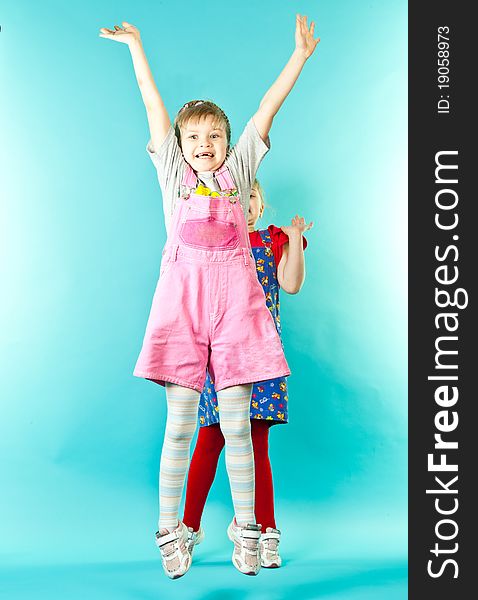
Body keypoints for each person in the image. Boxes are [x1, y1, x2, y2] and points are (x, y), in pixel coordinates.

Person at [99, 14, 319, 579]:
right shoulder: (173, 178)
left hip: (239, 311)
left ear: (227, 143)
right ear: (179, 145)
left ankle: (248, 528)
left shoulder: (240, 170)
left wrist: (298, 57)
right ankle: (170, 530)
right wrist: (136, 49)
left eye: (213, 136)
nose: (204, 144)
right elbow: (154, 108)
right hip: (183, 310)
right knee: (179, 425)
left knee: (238, 423)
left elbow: (266, 110)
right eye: (193, 137)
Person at [183, 180, 312, 569]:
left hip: (262, 359)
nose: (245, 203)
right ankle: (188, 527)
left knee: (256, 442)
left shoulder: (271, 242)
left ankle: (261, 528)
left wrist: (292, 240)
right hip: (220, 359)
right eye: (235, 196)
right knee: (209, 438)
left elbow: (291, 284)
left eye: (251, 195)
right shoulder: (214, 244)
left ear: (261, 203)